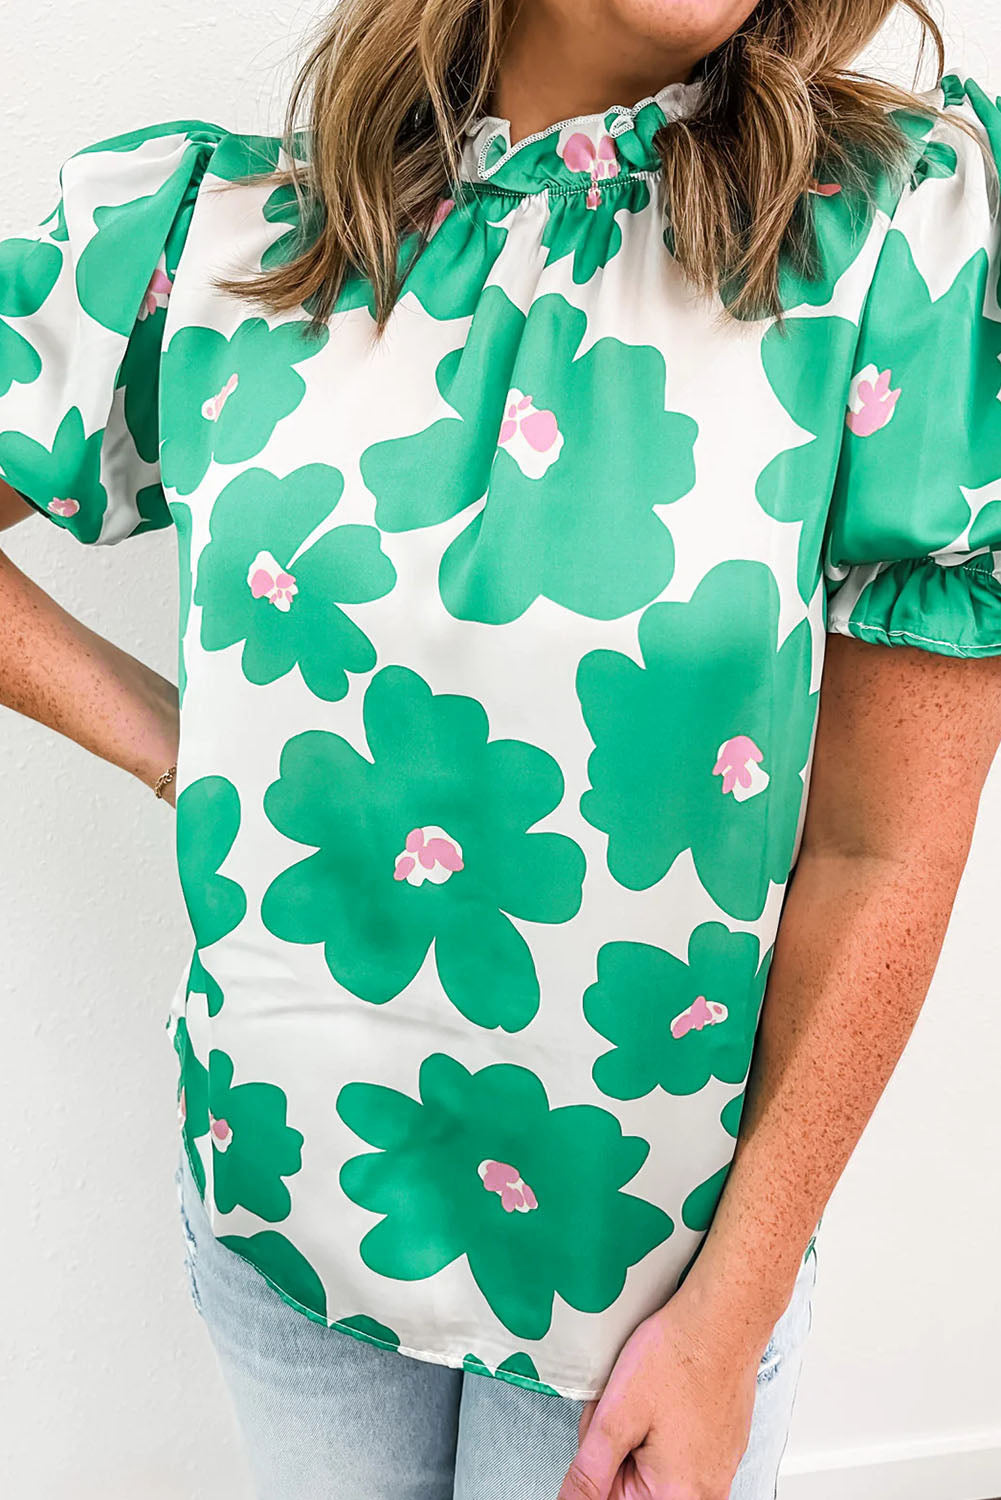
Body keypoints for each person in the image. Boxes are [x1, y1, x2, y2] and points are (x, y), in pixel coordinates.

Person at [3, 0, 1001, 1495]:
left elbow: (885, 850)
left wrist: (727, 1321)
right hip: (286, 1196)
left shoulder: (891, 251)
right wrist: (174, 746)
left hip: (646, 1280)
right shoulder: (212, 237)